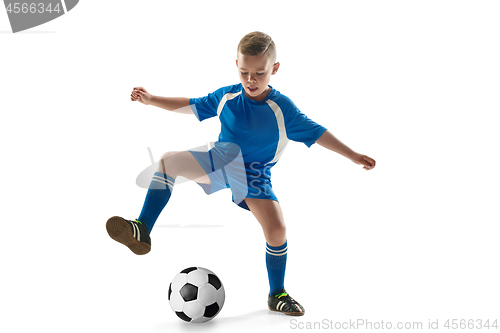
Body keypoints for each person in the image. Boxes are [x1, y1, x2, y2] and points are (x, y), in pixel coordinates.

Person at [106, 31, 376, 316]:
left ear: (275, 69)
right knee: (167, 161)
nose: (251, 80)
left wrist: (353, 155)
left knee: (277, 230)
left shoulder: (282, 108)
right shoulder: (228, 95)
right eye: (244, 71)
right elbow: (192, 104)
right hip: (218, 162)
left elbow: (318, 132)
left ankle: (277, 294)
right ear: (236, 64)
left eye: (260, 73)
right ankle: (142, 227)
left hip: (253, 176)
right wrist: (151, 99)